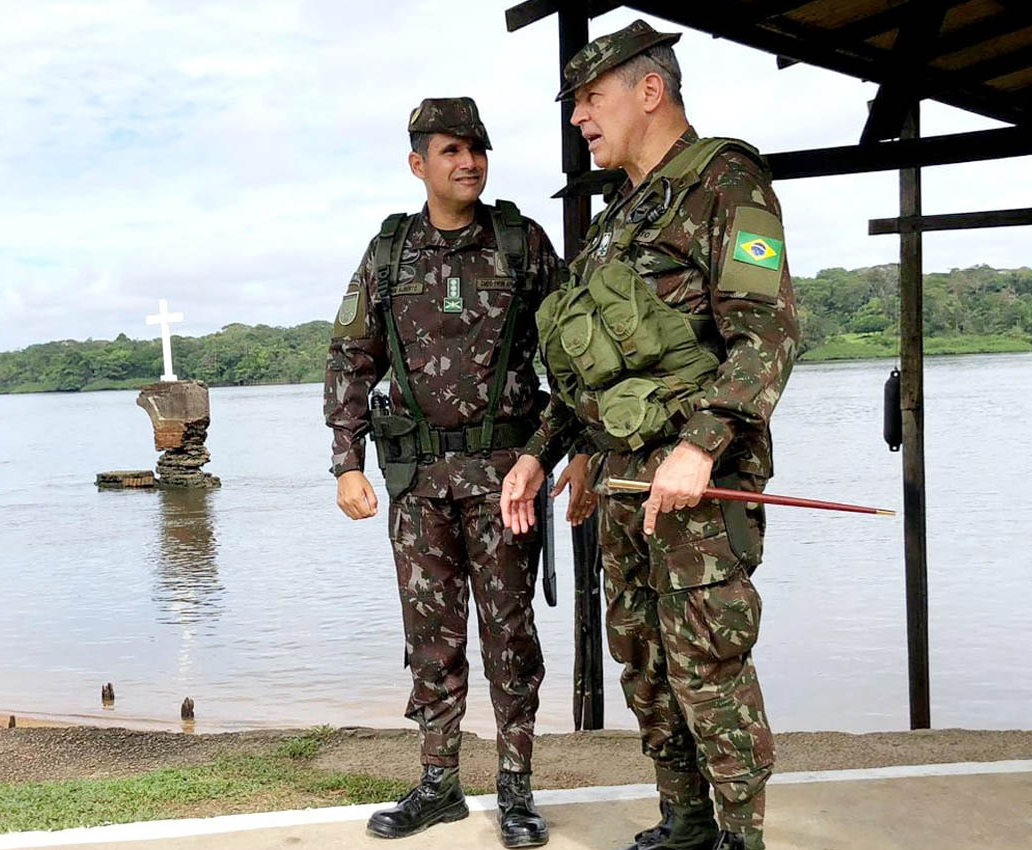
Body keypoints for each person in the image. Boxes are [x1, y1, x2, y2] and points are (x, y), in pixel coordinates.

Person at [501, 20, 799, 850]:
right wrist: (539, 454)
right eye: (574, 105)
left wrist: (700, 446)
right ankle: (687, 823)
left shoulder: (724, 181)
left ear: (649, 89)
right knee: (645, 663)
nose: (579, 119)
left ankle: (743, 837)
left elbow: (766, 335)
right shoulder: (613, 222)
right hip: (624, 482)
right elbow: (590, 376)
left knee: (708, 666)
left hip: (696, 484)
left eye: (590, 99)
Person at [324, 96, 586, 847]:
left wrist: (570, 449)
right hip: (416, 485)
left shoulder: (520, 243)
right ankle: (438, 784)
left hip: (507, 481)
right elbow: (348, 357)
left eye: (476, 149)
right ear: (418, 164)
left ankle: (516, 789)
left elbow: (574, 355)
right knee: (430, 638)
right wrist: (346, 463)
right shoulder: (389, 253)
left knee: (510, 636)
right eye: (450, 150)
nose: (468, 162)